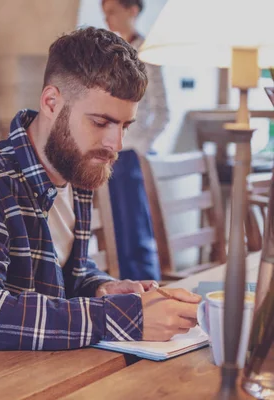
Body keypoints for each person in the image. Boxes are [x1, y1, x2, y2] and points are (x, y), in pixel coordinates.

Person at [0, 27, 198, 367]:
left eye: (124, 126)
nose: (116, 145)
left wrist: (101, 288)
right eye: (101, 122)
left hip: (42, 366)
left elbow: (66, 274)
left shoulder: (75, 170)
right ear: (51, 102)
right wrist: (119, 317)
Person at [102, 0, 170, 281]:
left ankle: (147, 290)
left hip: (132, 155)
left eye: (113, 11)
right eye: (104, 13)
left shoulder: (148, 53)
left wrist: (140, 148)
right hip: (107, 151)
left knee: (136, 230)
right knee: (113, 230)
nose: (107, 19)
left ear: (133, 11)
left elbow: (162, 112)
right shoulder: (109, 54)